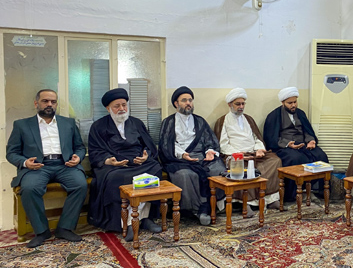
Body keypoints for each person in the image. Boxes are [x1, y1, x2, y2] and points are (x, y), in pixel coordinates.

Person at [6, 89, 88, 248]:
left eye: (53, 101)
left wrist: (78, 157)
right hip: (37, 167)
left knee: (80, 184)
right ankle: (42, 231)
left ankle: (65, 228)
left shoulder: (68, 123)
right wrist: (25, 163)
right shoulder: (22, 125)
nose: (49, 104)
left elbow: (79, 147)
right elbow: (11, 153)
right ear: (36, 103)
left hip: (64, 165)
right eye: (45, 101)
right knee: (29, 188)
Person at [88, 88, 163, 240]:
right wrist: (109, 161)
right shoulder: (98, 126)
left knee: (155, 170)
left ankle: (143, 218)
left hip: (139, 163)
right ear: (108, 108)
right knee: (115, 178)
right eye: (117, 106)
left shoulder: (136, 123)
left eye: (124, 105)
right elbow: (95, 152)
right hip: (115, 166)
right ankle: (126, 222)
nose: (121, 108)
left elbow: (148, 146)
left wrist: (146, 156)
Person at [159, 86, 226, 225]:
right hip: (179, 159)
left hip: (201, 157)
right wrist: (183, 154)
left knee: (217, 169)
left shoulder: (200, 121)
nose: (188, 103)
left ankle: (215, 205)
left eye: (190, 100)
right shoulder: (169, 122)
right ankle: (198, 209)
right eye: (184, 100)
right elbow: (166, 145)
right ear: (176, 104)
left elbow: (210, 140)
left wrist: (209, 152)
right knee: (185, 175)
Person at [214, 88, 282, 211]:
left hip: (253, 152)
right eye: (237, 104)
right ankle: (246, 203)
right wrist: (239, 154)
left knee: (274, 161)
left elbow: (257, 138)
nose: (241, 107)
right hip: (235, 154)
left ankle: (270, 199)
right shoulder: (223, 121)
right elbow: (223, 144)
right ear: (230, 105)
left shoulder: (248, 119)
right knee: (240, 166)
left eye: (243, 104)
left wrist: (259, 149)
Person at [263, 86, 329, 201]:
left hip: (303, 145)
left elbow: (307, 131)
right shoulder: (274, 116)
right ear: (283, 102)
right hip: (284, 147)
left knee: (321, 156)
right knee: (295, 158)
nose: (293, 105)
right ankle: (292, 194)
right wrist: (288, 144)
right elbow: (271, 138)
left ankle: (318, 191)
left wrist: (311, 141)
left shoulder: (300, 113)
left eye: (295, 102)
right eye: (290, 103)